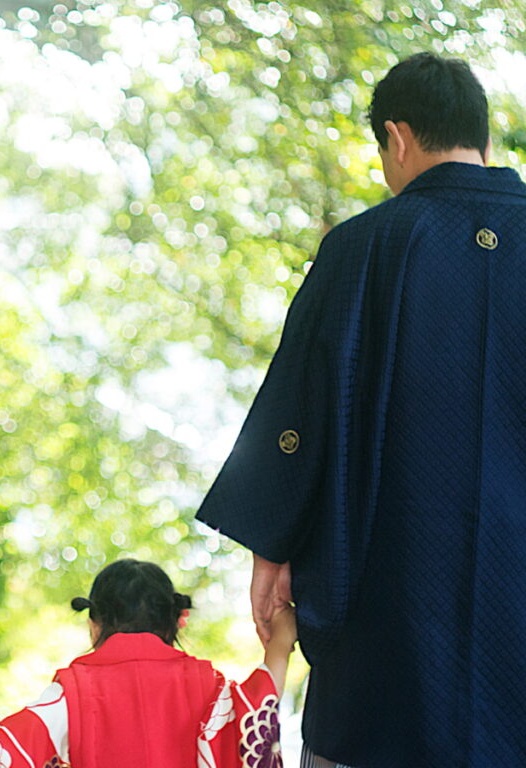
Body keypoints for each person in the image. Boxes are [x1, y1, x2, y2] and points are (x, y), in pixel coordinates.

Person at [195, 52, 526, 767]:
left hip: (392, 618)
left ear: (398, 137)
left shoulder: (361, 248)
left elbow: (299, 416)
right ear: (484, 140)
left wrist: (272, 546)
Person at [0, 559, 297, 768]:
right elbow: (254, 714)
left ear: (94, 623)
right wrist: (280, 644)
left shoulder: (73, 691)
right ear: (174, 622)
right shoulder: (206, 683)